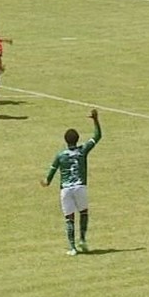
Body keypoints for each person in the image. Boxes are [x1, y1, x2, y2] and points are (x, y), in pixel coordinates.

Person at [42, 109, 102, 256]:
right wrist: (95, 120)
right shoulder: (83, 150)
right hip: (80, 187)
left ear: (65, 140)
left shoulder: (61, 155)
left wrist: (47, 181)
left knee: (69, 218)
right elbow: (97, 136)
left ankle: (73, 247)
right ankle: (82, 239)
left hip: (66, 189)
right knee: (84, 213)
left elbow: (52, 170)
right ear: (77, 139)